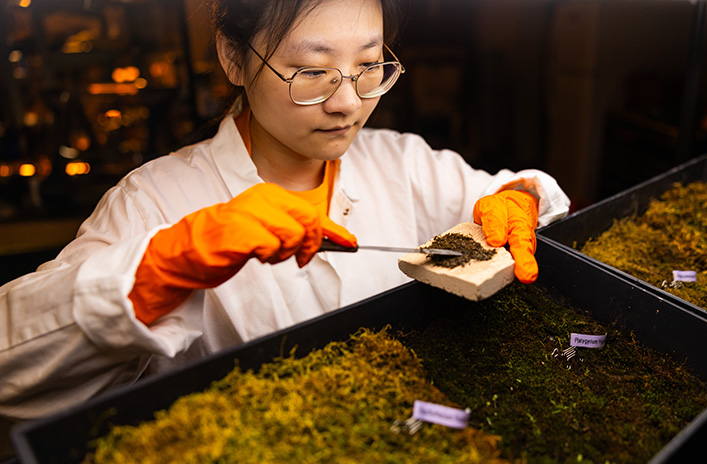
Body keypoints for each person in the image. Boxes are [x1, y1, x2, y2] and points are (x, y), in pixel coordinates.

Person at [0, 0, 569, 423]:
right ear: (234, 57)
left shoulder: (402, 162)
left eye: (369, 66)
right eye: (312, 72)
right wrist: (157, 271)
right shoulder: (153, 201)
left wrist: (517, 195)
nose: (347, 102)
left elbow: (516, 197)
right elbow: (13, 377)